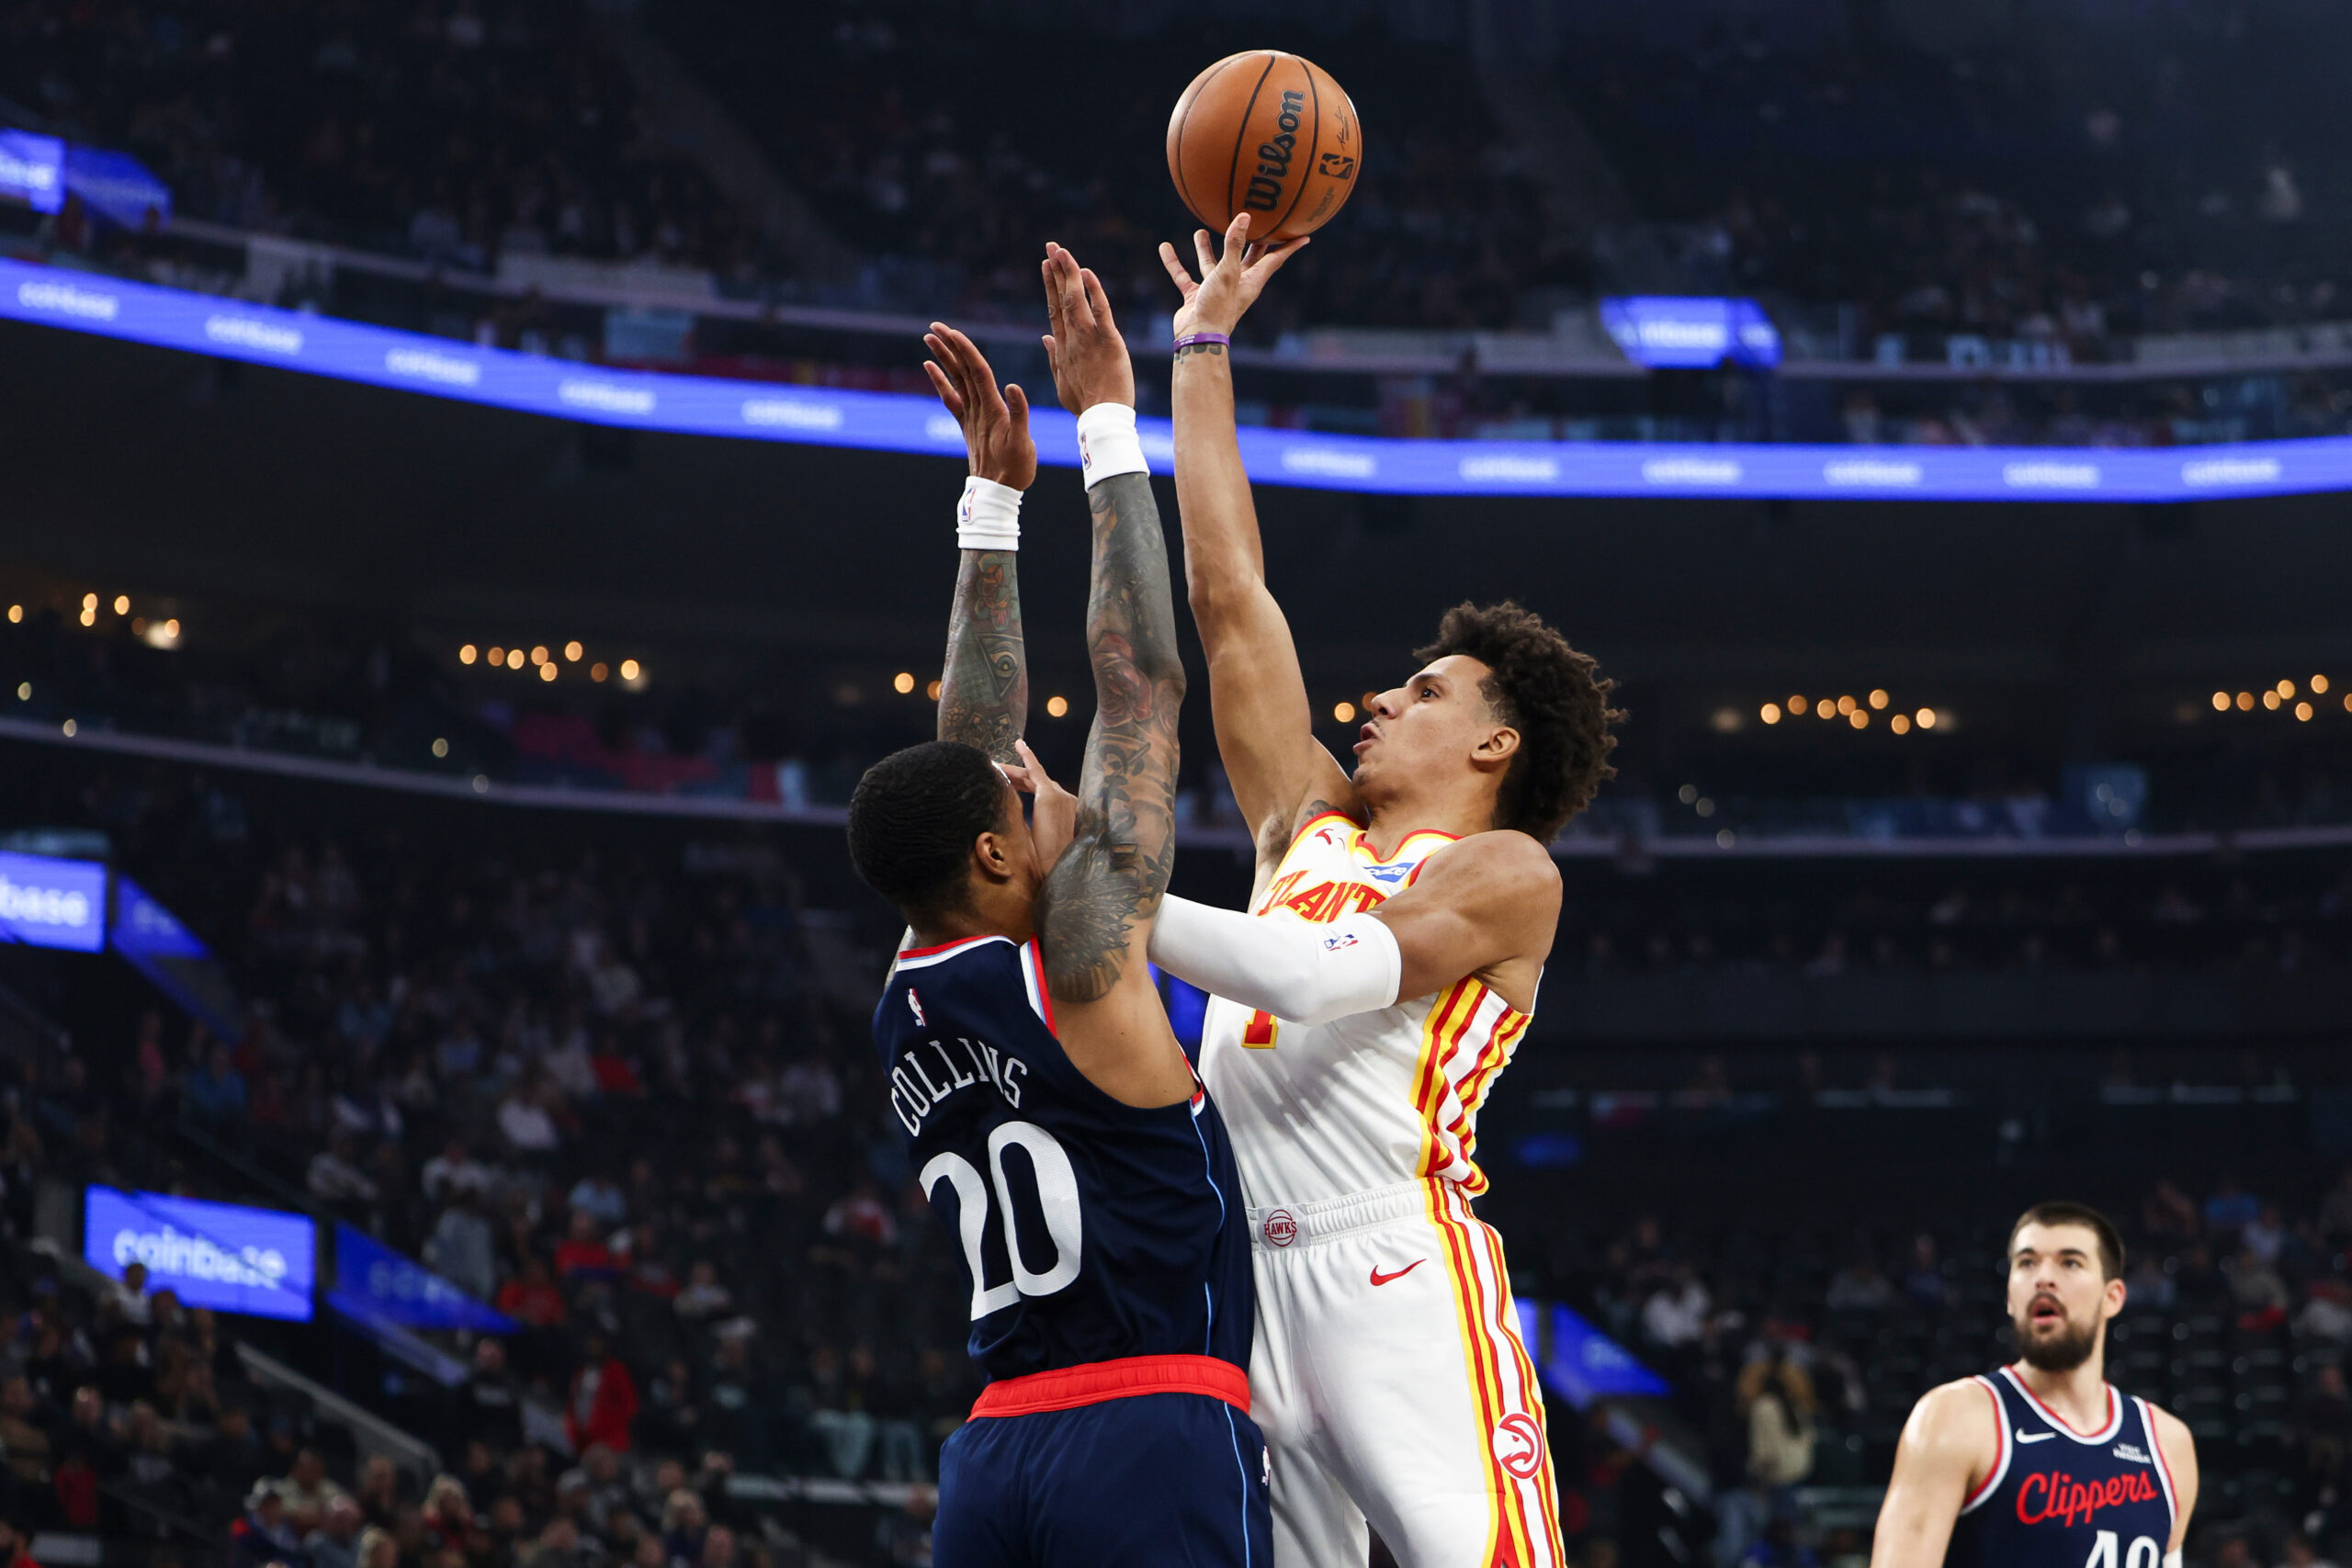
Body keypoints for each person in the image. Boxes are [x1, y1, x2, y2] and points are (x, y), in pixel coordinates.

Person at [1142, 212, 1622, 1567]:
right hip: (1247, 1279)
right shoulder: (1309, 822)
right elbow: (1230, 596)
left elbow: (1314, 976)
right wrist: (1200, 349)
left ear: (1494, 742)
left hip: (1393, 1267)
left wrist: (1103, 894)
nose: (1379, 699)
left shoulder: (1503, 872)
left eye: (1422, 692)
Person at [844, 254, 1266, 1566]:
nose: (1041, 788)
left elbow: (972, 747)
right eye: (1021, 804)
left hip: (990, 1456)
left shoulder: (909, 986)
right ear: (992, 850)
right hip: (1148, 1424)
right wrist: (1105, 425)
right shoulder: (1081, 955)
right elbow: (1141, 686)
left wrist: (990, 506)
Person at [1870, 1201, 2199, 1568]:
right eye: (2027, 1263)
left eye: (2069, 1262)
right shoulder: (1954, 1418)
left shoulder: (2168, 1444)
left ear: (2113, 1297)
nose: (2043, 1277)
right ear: (2011, 1297)